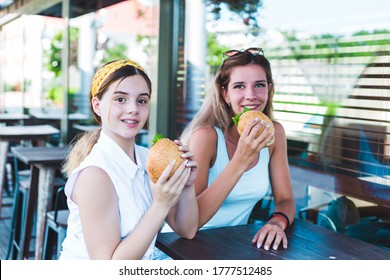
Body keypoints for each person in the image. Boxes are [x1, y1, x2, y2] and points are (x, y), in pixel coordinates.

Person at [59, 59, 198, 260]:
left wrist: (186, 186)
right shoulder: (95, 175)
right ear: (97, 106)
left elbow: (187, 230)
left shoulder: (148, 158)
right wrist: (160, 205)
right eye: (120, 99)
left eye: (141, 100)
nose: (133, 108)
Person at [180, 47, 295, 251]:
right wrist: (241, 159)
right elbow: (191, 221)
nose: (250, 95)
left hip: (232, 247)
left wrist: (277, 222)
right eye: (239, 86)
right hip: (182, 248)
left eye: (259, 85)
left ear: (269, 89)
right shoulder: (206, 138)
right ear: (225, 94)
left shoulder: (274, 133)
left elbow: (286, 199)